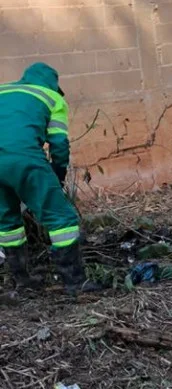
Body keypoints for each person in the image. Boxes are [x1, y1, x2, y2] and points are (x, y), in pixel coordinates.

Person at [0, 63, 99, 293]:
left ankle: (22, 282)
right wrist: (58, 177)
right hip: (25, 159)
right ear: (54, 84)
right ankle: (75, 282)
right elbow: (59, 145)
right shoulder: (53, 98)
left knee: (7, 223)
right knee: (62, 219)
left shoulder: (3, 90)